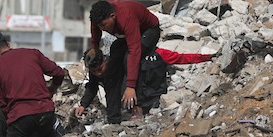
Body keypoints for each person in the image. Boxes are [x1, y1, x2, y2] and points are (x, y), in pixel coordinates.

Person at [76, 46, 214, 120]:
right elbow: (92, 87)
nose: (98, 73)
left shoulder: (156, 55)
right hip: (132, 101)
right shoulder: (110, 65)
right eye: (94, 71)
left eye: (100, 69)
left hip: (154, 97)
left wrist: (208, 57)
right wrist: (83, 105)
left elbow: (181, 58)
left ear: (105, 61)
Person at [88, 0, 161, 122]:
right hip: (126, 35)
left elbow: (134, 51)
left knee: (129, 60)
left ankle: (137, 108)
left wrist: (130, 86)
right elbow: (95, 30)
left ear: (113, 16)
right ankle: (113, 116)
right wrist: (94, 47)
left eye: (104, 25)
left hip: (148, 31)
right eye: (99, 26)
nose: (103, 29)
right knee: (112, 69)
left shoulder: (126, 17)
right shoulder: (98, 18)